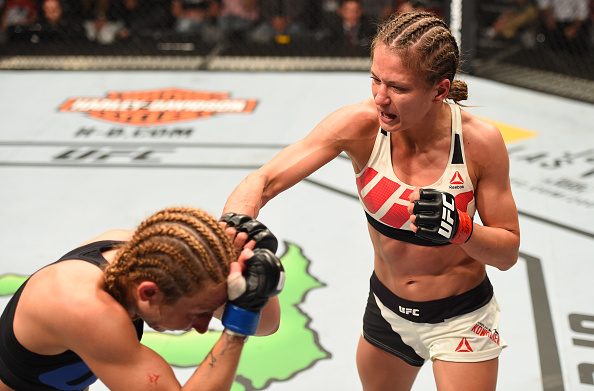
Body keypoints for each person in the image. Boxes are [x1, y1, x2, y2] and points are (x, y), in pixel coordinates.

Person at [222, 11, 520, 391]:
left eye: (398, 87)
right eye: (375, 79)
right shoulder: (360, 125)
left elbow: (508, 252)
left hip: (461, 317)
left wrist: (460, 228)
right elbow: (261, 182)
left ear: (440, 91)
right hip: (386, 310)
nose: (380, 96)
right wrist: (231, 237)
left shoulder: (480, 143)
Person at [0, 206, 283, 391]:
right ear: (148, 293)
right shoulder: (84, 308)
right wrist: (236, 329)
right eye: (197, 313)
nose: (201, 326)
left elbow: (266, 326)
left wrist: (251, 273)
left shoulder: (150, 257)